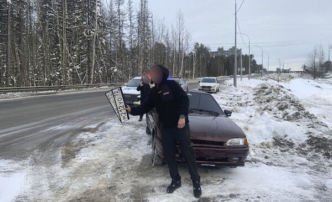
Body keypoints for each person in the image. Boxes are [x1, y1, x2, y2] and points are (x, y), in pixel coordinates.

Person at [124, 64, 202, 198]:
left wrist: (182, 116)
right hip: (165, 128)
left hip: (180, 125)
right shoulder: (154, 92)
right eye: (152, 74)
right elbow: (145, 107)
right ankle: (175, 180)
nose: (153, 75)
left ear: (162, 74)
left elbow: (184, 99)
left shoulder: (172, 85)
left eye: (156, 73)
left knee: (188, 154)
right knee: (170, 155)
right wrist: (131, 110)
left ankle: (196, 182)